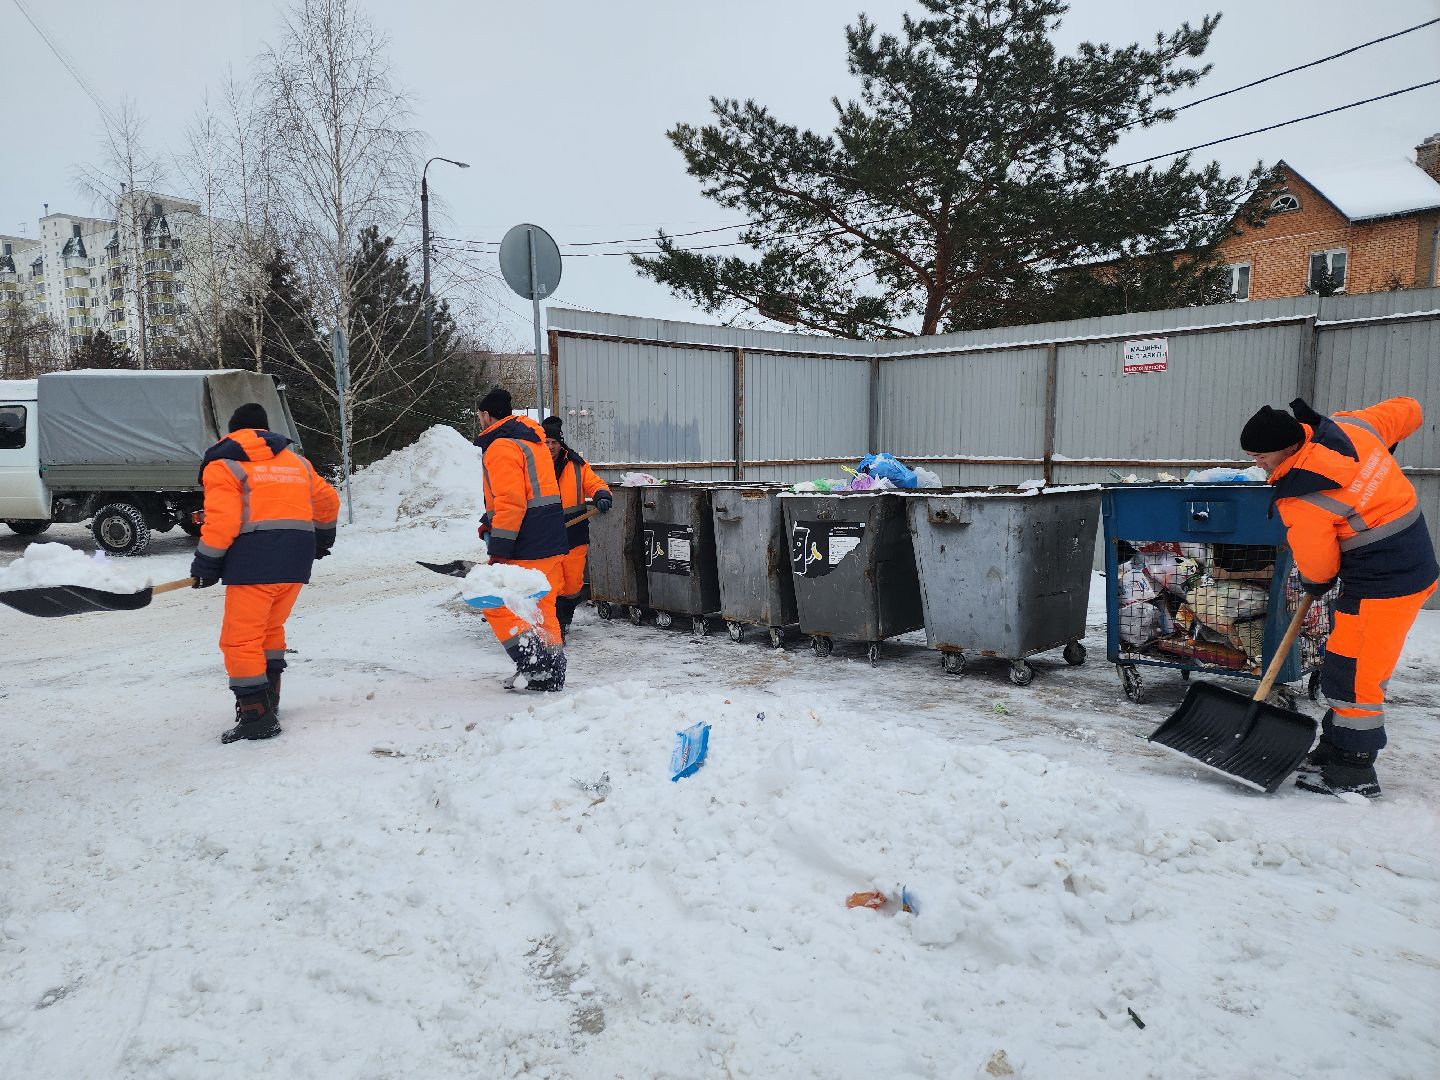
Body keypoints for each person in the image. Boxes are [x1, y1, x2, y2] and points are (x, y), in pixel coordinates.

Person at [1240, 397, 1438, 799]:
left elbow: (1318, 566)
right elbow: (1408, 410)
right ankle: (1335, 743)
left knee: (1356, 676)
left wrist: (1315, 582)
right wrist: (1379, 455)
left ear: (1291, 447)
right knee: (1343, 662)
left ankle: (1354, 767)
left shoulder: (1305, 497)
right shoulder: (1352, 428)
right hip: (1396, 568)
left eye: (1261, 456)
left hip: (1386, 584)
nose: (1257, 464)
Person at [190, 403, 340, 744]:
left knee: (240, 639)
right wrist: (321, 539)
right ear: (266, 431)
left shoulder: (224, 462)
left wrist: (206, 563)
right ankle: (268, 701)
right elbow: (328, 500)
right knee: (270, 629)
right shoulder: (296, 461)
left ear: (232, 431)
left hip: (254, 562)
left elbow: (223, 521)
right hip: (296, 561)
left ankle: (256, 717)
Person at [474, 388, 568, 690]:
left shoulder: (500, 446)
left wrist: (499, 550)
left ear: (488, 415)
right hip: (551, 538)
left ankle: (534, 666)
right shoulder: (533, 443)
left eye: (479, 417)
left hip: (527, 543)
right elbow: (529, 494)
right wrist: (490, 522)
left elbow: (512, 502)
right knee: (543, 606)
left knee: (496, 602)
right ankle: (552, 670)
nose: (479, 422)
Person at [542, 414, 612, 641]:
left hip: (574, 532)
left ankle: (565, 619)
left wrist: (602, 495)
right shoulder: (533, 466)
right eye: (546, 442)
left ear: (560, 443)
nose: (550, 447)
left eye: (554, 442)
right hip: (545, 535)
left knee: (572, 583)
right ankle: (555, 625)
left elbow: (594, 483)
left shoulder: (576, 464)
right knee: (551, 583)